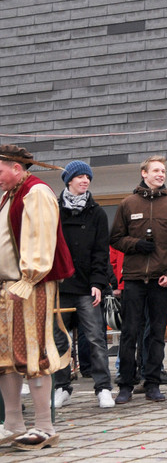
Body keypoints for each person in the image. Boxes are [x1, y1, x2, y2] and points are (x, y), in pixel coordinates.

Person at [0, 146, 74, 450]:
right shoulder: (9, 194)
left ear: (16, 168)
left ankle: (44, 426)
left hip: (29, 285)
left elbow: (41, 240)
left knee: (32, 352)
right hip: (7, 286)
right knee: (5, 357)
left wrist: (28, 279)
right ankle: (13, 424)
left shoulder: (36, 191)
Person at [109, 156, 167, 404]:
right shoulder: (128, 203)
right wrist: (135, 245)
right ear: (144, 173)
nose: (160, 174)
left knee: (156, 334)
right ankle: (125, 384)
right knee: (130, 332)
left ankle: (152, 382)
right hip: (133, 279)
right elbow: (115, 238)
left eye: (163, 171)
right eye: (155, 170)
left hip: (160, 280)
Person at [52, 161, 115, 409]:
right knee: (59, 340)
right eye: (80, 177)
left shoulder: (96, 212)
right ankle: (61, 387)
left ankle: (103, 388)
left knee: (96, 338)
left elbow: (101, 252)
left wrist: (98, 282)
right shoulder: (54, 209)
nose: (85, 180)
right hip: (61, 286)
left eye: (87, 177)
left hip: (88, 286)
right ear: (69, 180)